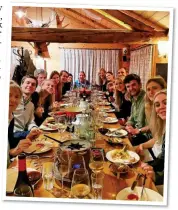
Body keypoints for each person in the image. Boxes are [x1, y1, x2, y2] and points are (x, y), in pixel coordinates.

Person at [135, 76, 167, 161]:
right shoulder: (150, 107)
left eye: (154, 88)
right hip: (154, 150)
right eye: (148, 89)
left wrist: (139, 130)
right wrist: (142, 145)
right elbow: (158, 137)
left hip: (157, 156)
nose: (151, 92)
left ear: (164, 89)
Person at [141, 89, 167, 186]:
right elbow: (163, 158)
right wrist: (149, 166)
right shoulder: (164, 125)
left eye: (166, 103)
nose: (161, 107)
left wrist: (157, 177)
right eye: (157, 105)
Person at [8, 81, 33, 166]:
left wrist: (14, 151)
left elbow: (9, 142)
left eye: (17, 97)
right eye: (9, 95)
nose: (13, 100)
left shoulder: (10, 117)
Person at [13, 75, 41, 142]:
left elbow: (31, 121)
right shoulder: (12, 101)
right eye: (27, 83)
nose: (30, 85)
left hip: (23, 133)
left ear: (35, 89)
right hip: (12, 134)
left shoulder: (31, 105)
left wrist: (34, 128)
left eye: (33, 84)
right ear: (21, 84)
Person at [124, 74, 148, 146]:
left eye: (133, 85)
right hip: (136, 132)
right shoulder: (133, 99)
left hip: (145, 136)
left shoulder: (147, 98)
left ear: (140, 85)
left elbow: (152, 125)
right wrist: (128, 125)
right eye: (128, 86)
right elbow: (132, 118)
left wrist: (135, 130)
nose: (131, 88)